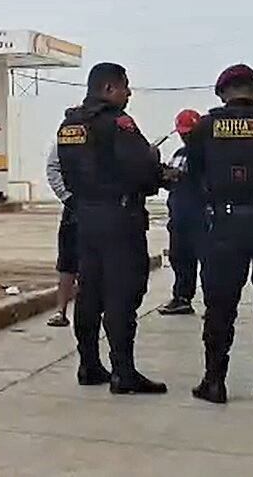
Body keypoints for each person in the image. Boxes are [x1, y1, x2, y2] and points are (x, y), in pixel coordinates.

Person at [55, 62, 168, 394]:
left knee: (89, 292)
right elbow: (142, 167)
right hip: (119, 219)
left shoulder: (69, 124)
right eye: (124, 86)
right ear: (108, 89)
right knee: (121, 293)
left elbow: (66, 170)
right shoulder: (118, 123)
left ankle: (88, 365)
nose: (128, 93)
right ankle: (123, 372)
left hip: (83, 217)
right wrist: (155, 164)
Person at [186, 64, 253, 404]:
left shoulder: (205, 128)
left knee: (219, 306)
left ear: (222, 94)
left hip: (224, 226)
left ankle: (214, 382)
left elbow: (193, 176)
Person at [157, 109, 207, 316]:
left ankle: (215, 304)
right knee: (180, 259)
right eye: (183, 132)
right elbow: (168, 182)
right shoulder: (179, 154)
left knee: (209, 263)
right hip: (179, 218)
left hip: (204, 218)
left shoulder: (209, 154)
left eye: (189, 132)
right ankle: (182, 298)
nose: (185, 136)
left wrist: (183, 176)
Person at [45, 142, 79, 327]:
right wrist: (67, 197)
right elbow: (53, 167)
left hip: (102, 206)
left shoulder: (110, 128)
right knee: (67, 262)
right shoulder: (70, 132)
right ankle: (61, 311)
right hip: (75, 208)